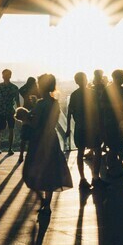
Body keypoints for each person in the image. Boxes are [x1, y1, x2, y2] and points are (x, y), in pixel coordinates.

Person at [21, 74, 73, 218]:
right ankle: (47, 205)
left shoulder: (41, 104)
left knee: (29, 173)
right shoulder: (55, 103)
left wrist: (26, 119)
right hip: (51, 139)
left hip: (39, 140)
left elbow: (35, 124)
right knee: (49, 173)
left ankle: (42, 200)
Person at [66, 72, 91, 188]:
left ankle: (82, 178)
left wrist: (68, 128)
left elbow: (69, 113)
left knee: (80, 152)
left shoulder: (74, 95)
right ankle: (95, 177)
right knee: (96, 149)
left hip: (79, 126)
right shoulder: (92, 93)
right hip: (91, 126)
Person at [0, 69, 21, 155]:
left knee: (7, 130)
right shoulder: (12, 87)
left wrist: (19, 112)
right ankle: (1, 147)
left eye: (6, 75)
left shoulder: (3, 87)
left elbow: (17, 101)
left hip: (7, 111)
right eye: (4, 75)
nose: (5, 76)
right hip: (4, 111)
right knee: (1, 130)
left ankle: (6, 148)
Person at [17, 77, 38, 164]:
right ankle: (30, 155)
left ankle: (21, 155)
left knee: (24, 137)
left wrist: (26, 85)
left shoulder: (25, 92)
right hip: (34, 114)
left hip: (25, 114)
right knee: (32, 136)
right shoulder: (37, 92)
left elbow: (20, 90)